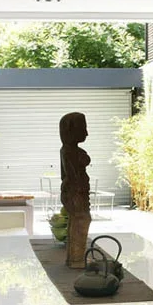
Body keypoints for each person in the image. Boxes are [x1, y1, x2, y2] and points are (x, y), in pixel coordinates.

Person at [59, 112, 91, 268]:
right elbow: (72, 175)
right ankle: (77, 259)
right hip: (75, 192)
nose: (86, 133)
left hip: (75, 192)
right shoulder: (70, 152)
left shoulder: (68, 150)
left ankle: (74, 257)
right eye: (83, 128)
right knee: (81, 220)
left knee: (78, 220)